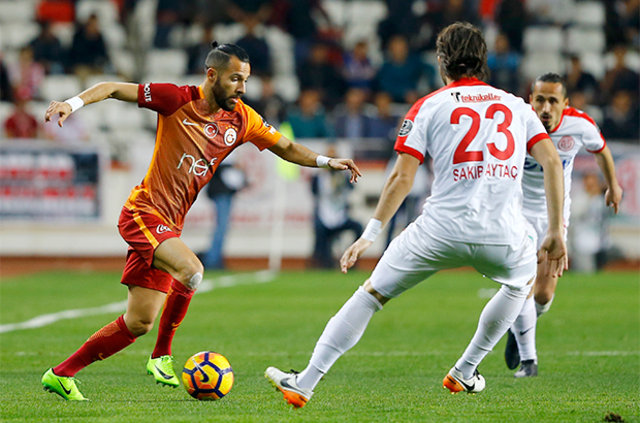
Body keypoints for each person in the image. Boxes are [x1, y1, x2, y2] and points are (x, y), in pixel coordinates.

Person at [265, 22, 567, 408]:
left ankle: (305, 382)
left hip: (438, 231)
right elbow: (552, 162)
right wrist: (555, 230)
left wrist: (369, 234)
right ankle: (466, 369)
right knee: (520, 284)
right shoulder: (517, 106)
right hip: (502, 234)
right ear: (484, 60)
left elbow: (401, 177)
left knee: (371, 295)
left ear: (442, 62)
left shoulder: (428, 105)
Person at [40, 42, 361, 401]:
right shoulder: (176, 99)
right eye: (235, 79)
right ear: (212, 75)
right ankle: (161, 356)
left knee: (139, 322)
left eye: (245, 80)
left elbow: (285, 147)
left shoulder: (243, 119)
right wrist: (71, 104)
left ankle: (61, 374)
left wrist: (326, 162)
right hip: (143, 212)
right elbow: (112, 88)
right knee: (192, 270)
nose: (242, 88)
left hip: (170, 224)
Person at [504, 72, 623, 377]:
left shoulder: (579, 124)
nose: (545, 108)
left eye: (552, 101)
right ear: (530, 100)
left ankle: (521, 328)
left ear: (565, 103)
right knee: (522, 284)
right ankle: (529, 360)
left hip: (555, 215)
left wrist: (613, 185)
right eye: (540, 100)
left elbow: (602, 150)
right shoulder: (515, 121)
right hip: (517, 212)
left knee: (543, 294)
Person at [310, 145, 363, 268]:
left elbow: (352, 189)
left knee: (359, 228)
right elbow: (314, 193)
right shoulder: (319, 178)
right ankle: (324, 263)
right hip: (324, 216)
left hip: (341, 216)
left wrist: (342, 177)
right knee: (319, 231)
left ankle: (352, 258)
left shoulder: (343, 177)